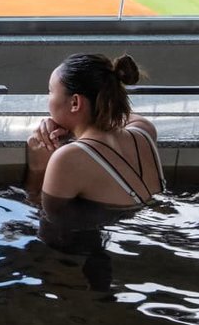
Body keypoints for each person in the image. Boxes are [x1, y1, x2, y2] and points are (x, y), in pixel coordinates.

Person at [26, 53, 165, 210]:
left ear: (75, 102)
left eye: (50, 91)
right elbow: (120, 116)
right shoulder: (144, 131)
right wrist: (76, 126)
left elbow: (44, 214)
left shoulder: (68, 158)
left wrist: (37, 166)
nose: (48, 98)